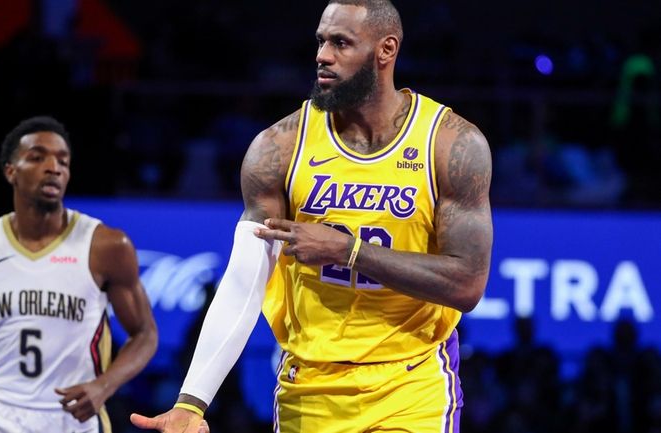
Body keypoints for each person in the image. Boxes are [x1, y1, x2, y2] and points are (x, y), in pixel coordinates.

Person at [131, 0, 492, 431]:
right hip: (310, 385)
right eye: (321, 42)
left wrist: (349, 250)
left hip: (411, 383)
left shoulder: (451, 144)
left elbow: (467, 283)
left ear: (386, 50)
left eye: (341, 43)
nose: (323, 55)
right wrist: (192, 402)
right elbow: (245, 281)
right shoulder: (278, 147)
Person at [0, 116, 159, 432]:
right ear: (11, 170)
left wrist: (104, 386)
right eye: (38, 157)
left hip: (73, 422)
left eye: (62, 161)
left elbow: (145, 334)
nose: (54, 167)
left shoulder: (107, 245)